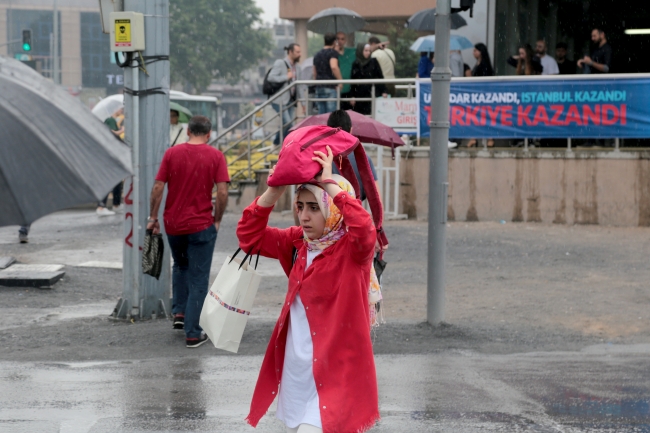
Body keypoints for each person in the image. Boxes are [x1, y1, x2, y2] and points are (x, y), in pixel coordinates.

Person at [239, 148, 380, 433]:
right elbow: (249, 237)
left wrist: (331, 185)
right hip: (297, 370)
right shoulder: (297, 243)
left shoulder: (353, 250)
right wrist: (272, 193)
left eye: (314, 208)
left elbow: (365, 229)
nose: (304, 216)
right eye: (300, 206)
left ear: (334, 210)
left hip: (337, 371)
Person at [147, 115, 230, 348]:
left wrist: (152, 218)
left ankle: (180, 313)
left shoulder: (171, 154)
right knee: (199, 279)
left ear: (187, 131)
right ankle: (193, 333)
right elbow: (222, 192)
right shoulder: (215, 156)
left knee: (180, 265)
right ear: (209, 133)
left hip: (173, 225)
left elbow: (158, 187)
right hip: (202, 226)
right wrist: (217, 219)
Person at [268, 43, 302, 145]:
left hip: (291, 100)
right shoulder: (280, 63)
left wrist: (303, 103)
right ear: (290, 52)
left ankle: (285, 145)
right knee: (288, 123)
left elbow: (299, 86)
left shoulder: (298, 67)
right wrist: (286, 77)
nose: (299, 54)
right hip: (279, 100)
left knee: (286, 124)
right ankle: (277, 142)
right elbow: (271, 77)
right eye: (297, 52)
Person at [97, 108, 125, 216]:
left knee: (117, 179)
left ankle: (116, 204)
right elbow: (111, 133)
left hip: (112, 154)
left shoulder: (113, 121)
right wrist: (121, 130)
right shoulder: (110, 120)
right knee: (110, 179)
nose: (122, 111)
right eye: (120, 109)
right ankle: (101, 206)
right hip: (110, 155)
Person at [467, 43, 494, 148]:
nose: (473, 53)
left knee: (486, 116)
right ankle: (474, 138)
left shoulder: (484, 64)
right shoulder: (478, 64)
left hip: (484, 94)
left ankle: (490, 138)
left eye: (475, 51)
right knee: (475, 116)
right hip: (477, 94)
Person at [350, 44, 386, 115]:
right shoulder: (356, 64)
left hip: (372, 93)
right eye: (366, 51)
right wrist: (352, 96)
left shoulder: (374, 62)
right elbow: (353, 81)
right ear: (361, 51)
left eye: (369, 51)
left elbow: (380, 77)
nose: (368, 53)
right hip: (360, 95)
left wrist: (384, 91)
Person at [313, 34, 341, 114]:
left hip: (319, 86)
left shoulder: (317, 54)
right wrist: (340, 80)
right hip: (330, 86)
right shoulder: (332, 53)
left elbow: (314, 72)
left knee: (321, 115)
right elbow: (334, 67)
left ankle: (322, 127)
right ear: (334, 42)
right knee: (331, 115)